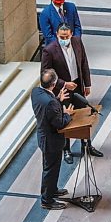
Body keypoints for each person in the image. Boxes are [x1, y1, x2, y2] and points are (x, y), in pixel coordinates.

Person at [41, 23, 103, 163]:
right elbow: (45, 74)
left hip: (78, 85)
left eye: (67, 36)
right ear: (57, 35)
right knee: (66, 117)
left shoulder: (77, 41)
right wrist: (64, 84)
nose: (65, 39)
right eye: (62, 36)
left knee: (84, 115)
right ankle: (66, 149)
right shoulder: (49, 50)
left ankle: (87, 145)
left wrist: (87, 83)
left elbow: (84, 63)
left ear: (71, 34)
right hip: (63, 90)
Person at [31, 69, 75, 210]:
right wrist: (67, 114)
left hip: (43, 136)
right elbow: (59, 123)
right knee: (50, 170)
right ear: (54, 83)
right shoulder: (51, 103)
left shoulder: (36, 92)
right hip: (51, 141)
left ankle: (52, 190)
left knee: (53, 168)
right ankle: (47, 200)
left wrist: (57, 100)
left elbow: (47, 108)